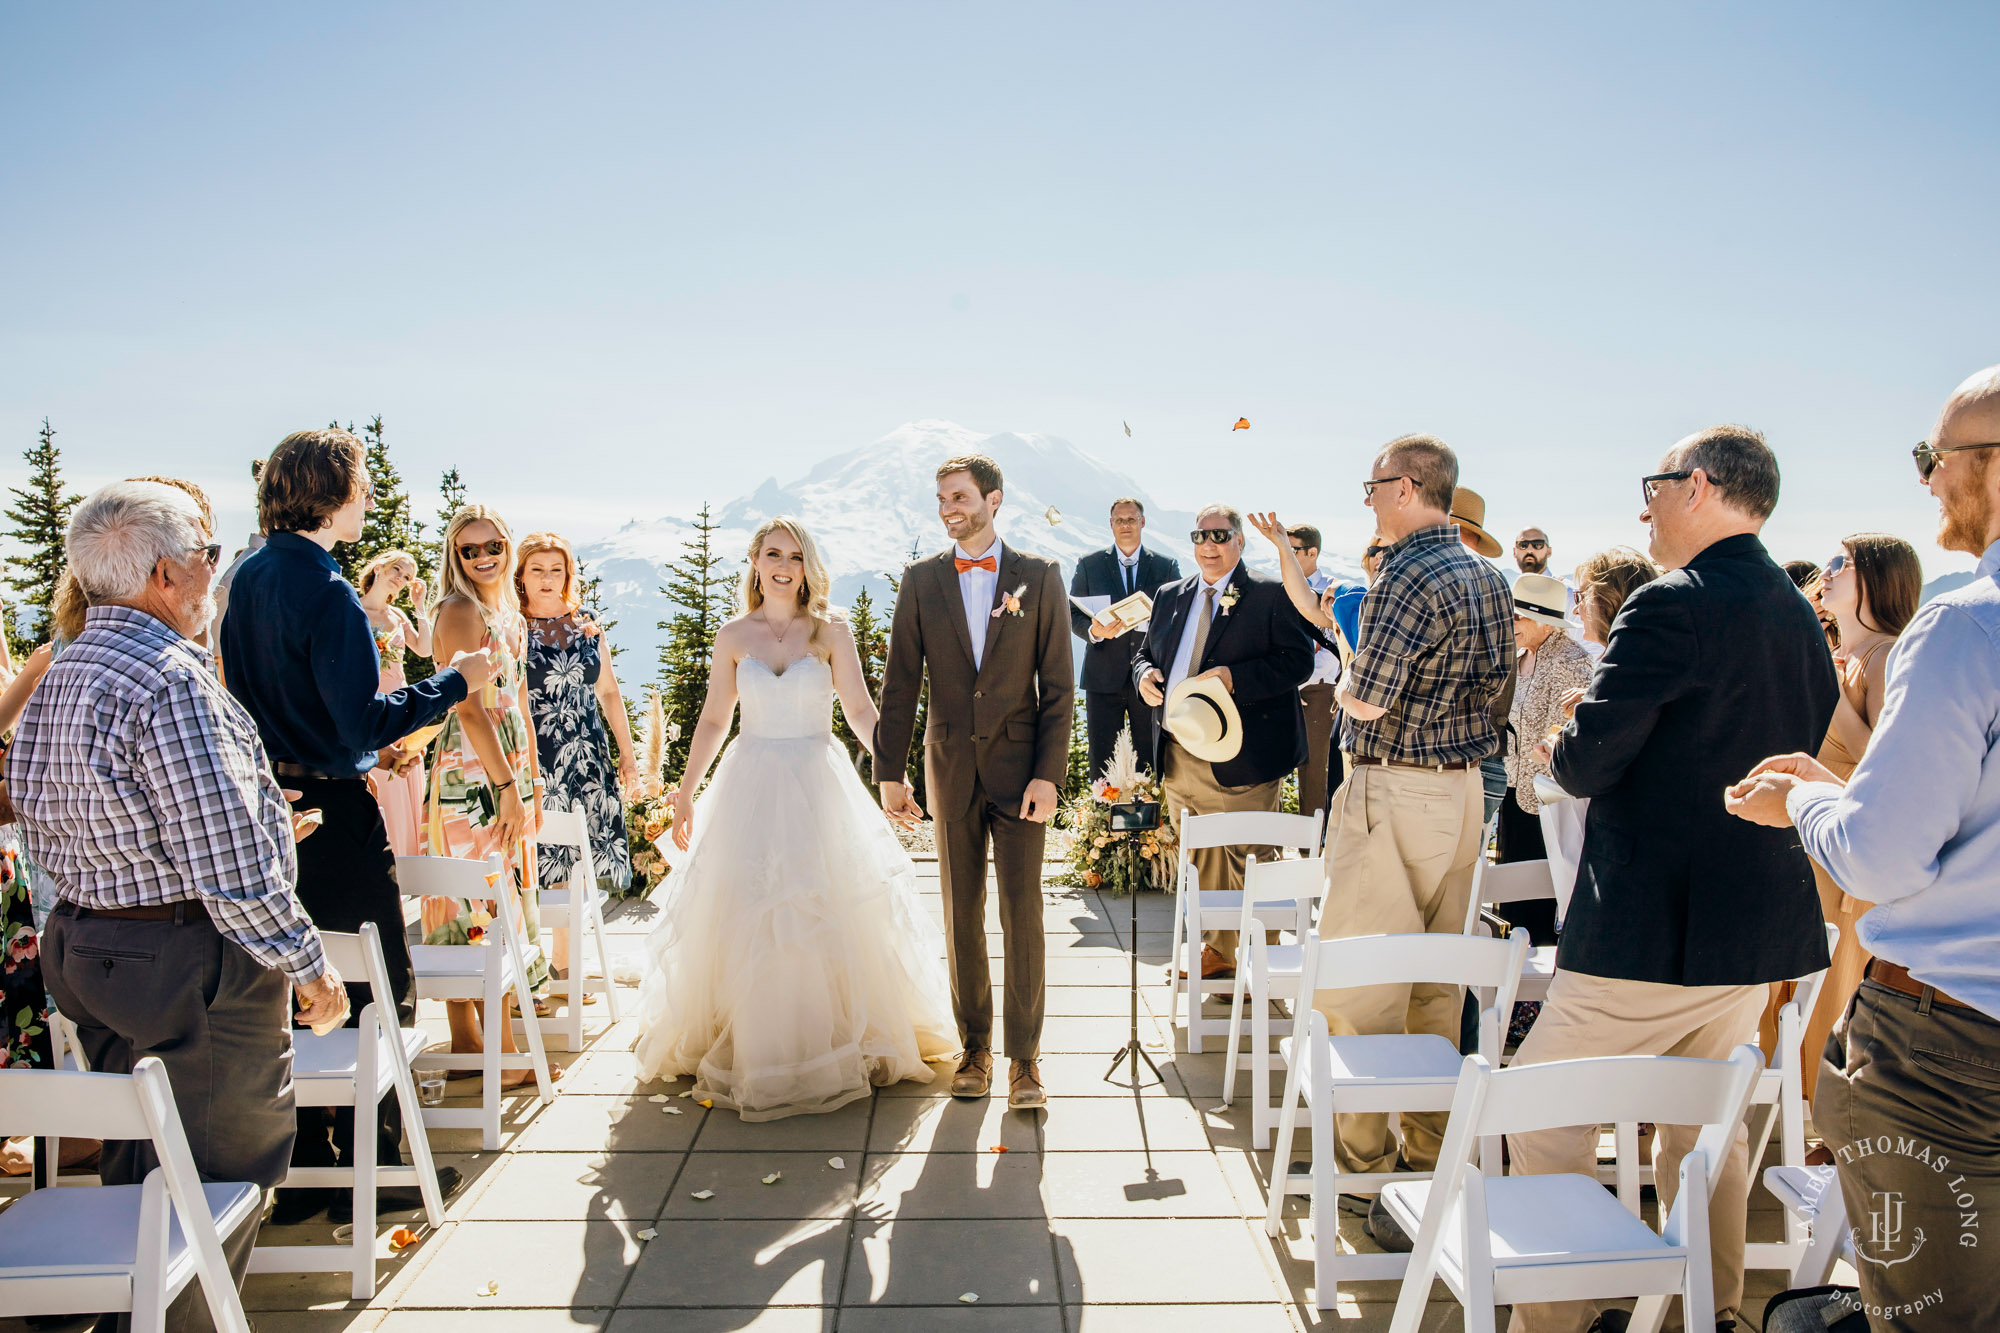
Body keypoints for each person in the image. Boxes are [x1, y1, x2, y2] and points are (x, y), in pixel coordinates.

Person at [1510, 425, 1837, 1333]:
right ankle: (1712, 1309)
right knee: (1705, 1128)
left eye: (1651, 486)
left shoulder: (1668, 605)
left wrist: (1567, 734)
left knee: (1539, 1107)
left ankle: (1558, 1317)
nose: (1641, 506)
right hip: (1753, 927)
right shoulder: (1793, 611)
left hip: (1648, 928)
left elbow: (1587, 764)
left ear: (1696, 487)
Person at [9, 481, 346, 1333]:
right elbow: (230, 871)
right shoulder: (168, 681)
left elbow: (53, 806)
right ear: (166, 573)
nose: (213, 571)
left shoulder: (64, 668)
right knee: (217, 1180)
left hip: (89, 947)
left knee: (148, 1160)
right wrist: (310, 969)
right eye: (209, 554)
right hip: (184, 963)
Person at [1725, 364, 2000, 1333]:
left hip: (1949, 1055)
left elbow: (1882, 859)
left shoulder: (1967, 623)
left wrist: (1802, 799)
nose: (1926, 481)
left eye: (1935, 457)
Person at [222, 430, 486, 1224]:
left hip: (271, 807)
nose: (368, 497)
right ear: (330, 493)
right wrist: (455, 682)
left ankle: (304, 1160)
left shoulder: (242, 579)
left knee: (294, 986)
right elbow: (357, 723)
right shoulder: (328, 590)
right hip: (334, 810)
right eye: (362, 483)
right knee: (377, 983)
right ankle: (372, 1169)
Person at [635, 517, 956, 1117]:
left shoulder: (830, 633)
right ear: (754, 562)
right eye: (772, 554)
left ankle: (831, 1037)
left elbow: (861, 709)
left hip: (818, 781)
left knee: (822, 908)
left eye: (795, 556)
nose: (784, 565)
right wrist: (684, 792)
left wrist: (892, 773)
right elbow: (712, 720)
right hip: (749, 783)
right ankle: (758, 1041)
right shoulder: (733, 636)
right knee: (751, 913)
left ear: (809, 566)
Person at [1311, 437, 1514, 1242]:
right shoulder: (1489, 576)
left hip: (1396, 785)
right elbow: (1496, 688)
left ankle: (1364, 1180)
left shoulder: (1404, 571)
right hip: (1464, 790)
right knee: (1439, 981)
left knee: (1359, 984)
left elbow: (1364, 700)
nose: (1367, 499)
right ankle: (1430, 1167)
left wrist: (1349, 662)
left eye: (1371, 486)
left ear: (1405, 488)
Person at [876, 454, 1073, 1111]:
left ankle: (1025, 1060)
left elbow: (1059, 690)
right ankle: (976, 1048)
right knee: (962, 915)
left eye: (958, 496)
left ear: (993, 498)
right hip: (950, 771)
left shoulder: (1040, 576)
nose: (947, 508)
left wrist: (1050, 774)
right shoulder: (921, 579)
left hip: (1023, 777)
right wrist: (889, 772)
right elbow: (901, 682)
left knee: (1023, 915)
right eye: (940, 498)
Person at [1758, 534, 1922, 1110]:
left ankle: (1819, 1141)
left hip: (1841, 870)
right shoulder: (1842, 658)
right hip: (1807, 855)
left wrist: (1828, 699)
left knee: (1826, 1002)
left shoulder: (1885, 657)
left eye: (1841, 563)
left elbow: (1889, 775)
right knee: (1789, 1000)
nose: (1824, 572)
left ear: (1877, 580)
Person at [1135, 507, 1314, 979]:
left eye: (1219, 535)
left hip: (1245, 752)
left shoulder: (1270, 594)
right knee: (1199, 854)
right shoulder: (1171, 594)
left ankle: (1259, 959)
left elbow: (1298, 663)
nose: (1208, 545)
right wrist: (1144, 675)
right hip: (1178, 749)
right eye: (1200, 535)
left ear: (1239, 541)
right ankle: (1216, 949)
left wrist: (1236, 677)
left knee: (1250, 855)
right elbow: (1144, 652)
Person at [424, 504, 551, 1079]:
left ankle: (469, 1045)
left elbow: (518, 697)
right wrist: (504, 784)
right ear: (455, 555)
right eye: (468, 549)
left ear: (507, 545)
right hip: (471, 768)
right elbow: (468, 708)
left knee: (493, 885)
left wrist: (533, 779)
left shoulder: (510, 615)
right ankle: (490, 1047)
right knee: (476, 892)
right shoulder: (458, 610)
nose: (482, 557)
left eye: (491, 545)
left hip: (509, 759)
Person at [518, 531, 639, 909]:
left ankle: (562, 964)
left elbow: (608, 691)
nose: (547, 579)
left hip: (587, 753)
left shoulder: (585, 621)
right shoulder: (512, 625)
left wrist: (627, 754)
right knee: (543, 860)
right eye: (537, 569)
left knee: (577, 864)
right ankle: (531, 959)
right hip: (538, 755)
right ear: (520, 574)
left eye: (556, 569)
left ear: (568, 574)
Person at [1068, 497, 1180, 782]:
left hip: (1149, 677)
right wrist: (1094, 632)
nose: (1125, 525)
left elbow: (1178, 614)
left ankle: (1150, 823)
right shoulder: (1089, 565)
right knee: (1102, 757)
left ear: (1142, 522)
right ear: (1110, 524)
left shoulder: (1166, 566)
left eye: (1131, 519)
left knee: (1149, 755)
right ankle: (1102, 822)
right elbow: (1072, 612)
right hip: (1102, 675)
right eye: (1119, 520)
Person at [1497, 572, 1594, 873]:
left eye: (1517, 618)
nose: (1509, 624)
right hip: (1512, 791)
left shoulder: (1570, 660)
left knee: (1536, 890)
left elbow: (1564, 731)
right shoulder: (1517, 656)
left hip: (1548, 800)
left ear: (1545, 621)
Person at [355, 550, 435, 857]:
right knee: (380, 780)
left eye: (406, 576)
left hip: (399, 704)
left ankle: (408, 859)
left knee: (403, 775)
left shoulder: (398, 616)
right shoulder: (354, 610)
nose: (400, 578)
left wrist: (419, 607)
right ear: (378, 566)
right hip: (370, 702)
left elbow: (424, 650)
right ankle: (382, 856)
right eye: (396, 570)